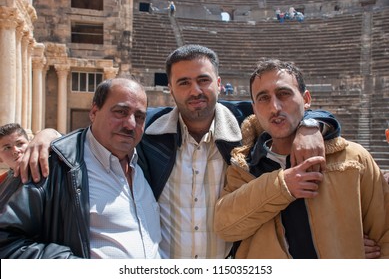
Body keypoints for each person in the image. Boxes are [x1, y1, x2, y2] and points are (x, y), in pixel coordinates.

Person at [16, 45, 342, 259]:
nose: (195, 91)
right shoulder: (148, 130)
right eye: (183, 83)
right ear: (170, 88)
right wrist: (49, 136)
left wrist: (312, 124)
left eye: (203, 80)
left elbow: (294, 109)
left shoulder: (249, 120)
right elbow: (101, 130)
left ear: (218, 83)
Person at [214, 58, 389, 258]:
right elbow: (225, 227)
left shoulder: (353, 158)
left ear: (306, 99)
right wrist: (282, 186)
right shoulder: (244, 167)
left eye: (284, 94)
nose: (275, 107)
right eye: (263, 98)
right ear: (254, 109)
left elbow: (384, 236)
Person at [0, 78, 161, 258]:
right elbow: (6, 242)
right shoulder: (48, 164)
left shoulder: (150, 161)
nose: (130, 124)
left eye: (139, 116)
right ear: (93, 111)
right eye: (120, 112)